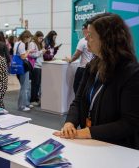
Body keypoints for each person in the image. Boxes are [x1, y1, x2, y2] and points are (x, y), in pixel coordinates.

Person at [53, 13, 139, 150]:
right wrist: (70, 123)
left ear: (108, 40)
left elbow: (129, 122)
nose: (87, 40)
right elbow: (78, 100)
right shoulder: (92, 66)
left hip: (119, 149)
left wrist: (86, 133)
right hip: (92, 143)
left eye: (91, 36)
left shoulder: (131, 73)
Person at [65, 22, 94, 94]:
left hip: (83, 68)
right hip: (92, 68)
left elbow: (77, 54)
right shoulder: (94, 40)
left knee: (78, 88)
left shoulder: (83, 40)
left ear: (87, 29)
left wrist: (70, 60)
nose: (82, 30)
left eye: (83, 28)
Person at [14, 30, 33, 111]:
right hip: (23, 67)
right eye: (29, 38)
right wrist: (28, 51)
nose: (29, 40)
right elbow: (23, 56)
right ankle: (21, 106)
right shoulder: (21, 44)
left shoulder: (17, 43)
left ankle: (25, 103)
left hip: (18, 66)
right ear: (26, 37)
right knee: (24, 87)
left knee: (24, 86)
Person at [28, 31, 47, 106]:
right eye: (40, 38)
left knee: (38, 84)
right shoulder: (32, 43)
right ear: (36, 37)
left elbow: (38, 54)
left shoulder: (38, 44)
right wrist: (41, 52)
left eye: (42, 38)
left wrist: (42, 51)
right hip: (35, 66)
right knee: (35, 84)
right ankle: (33, 99)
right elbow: (32, 55)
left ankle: (36, 98)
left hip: (39, 65)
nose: (41, 40)